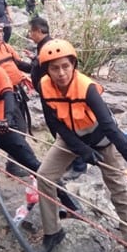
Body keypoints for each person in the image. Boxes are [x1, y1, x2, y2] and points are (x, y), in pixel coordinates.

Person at [36, 39, 127, 252]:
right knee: (43, 176)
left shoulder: (87, 88)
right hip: (70, 138)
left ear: (73, 65)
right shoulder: (44, 85)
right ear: (47, 70)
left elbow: (111, 128)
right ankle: (53, 232)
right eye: (54, 68)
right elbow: (54, 123)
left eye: (65, 66)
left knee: (118, 188)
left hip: (101, 138)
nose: (61, 73)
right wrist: (81, 149)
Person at [0, 36, 78, 234]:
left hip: (4, 130)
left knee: (35, 165)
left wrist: (7, 119)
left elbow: (8, 96)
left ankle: (68, 201)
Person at [26, 17, 87, 181]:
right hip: (49, 96)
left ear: (38, 31)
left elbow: (67, 71)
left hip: (57, 97)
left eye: (31, 31)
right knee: (59, 131)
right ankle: (69, 160)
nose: (30, 35)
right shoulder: (43, 48)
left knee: (66, 130)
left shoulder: (52, 48)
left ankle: (79, 164)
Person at [0, 18, 33, 176]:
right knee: (17, 128)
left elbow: (18, 64)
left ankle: (14, 163)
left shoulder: (6, 47)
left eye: (0, 32)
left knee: (20, 127)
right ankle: (13, 164)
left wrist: (37, 66)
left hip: (16, 91)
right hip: (3, 95)